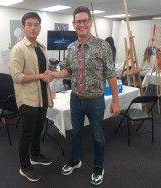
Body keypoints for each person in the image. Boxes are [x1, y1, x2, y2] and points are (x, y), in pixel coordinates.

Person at [44, 6, 120, 186]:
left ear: (90, 23)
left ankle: (98, 167)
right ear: (74, 24)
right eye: (78, 21)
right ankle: (75, 160)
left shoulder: (103, 46)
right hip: (76, 99)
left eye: (85, 20)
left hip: (95, 101)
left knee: (97, 136)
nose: (81, 24)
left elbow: (110, 75)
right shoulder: (71, 48)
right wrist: (54, 74)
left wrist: (116, 101)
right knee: (76, 134)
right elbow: (69, 71)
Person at [9, 12, 53, 182]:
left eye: (36, 24)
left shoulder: (41, 48)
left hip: (42, 96)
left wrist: (49, 95)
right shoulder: (18, 49)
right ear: (23, 27)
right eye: (29, 24)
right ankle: (25, 166)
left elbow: (46, 76)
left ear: (40, 27)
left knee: (38, 129)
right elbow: (17, 76)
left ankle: (36, 155)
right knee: (27, 133)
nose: (33, 28)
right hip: (27, 99)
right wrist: (40, 75)